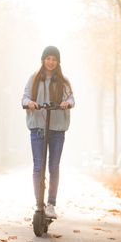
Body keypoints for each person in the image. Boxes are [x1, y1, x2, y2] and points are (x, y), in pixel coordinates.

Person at [22, 46, 74, 219]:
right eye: (48, 58)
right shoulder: (34, 79)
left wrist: (67, 103)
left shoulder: (63, 81)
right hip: (38, 126)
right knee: (38, 167)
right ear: (43, 59)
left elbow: (71, 98)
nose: (51, 62)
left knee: (53, 167)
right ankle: (39, 204)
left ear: (58, 62)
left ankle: (51, 204)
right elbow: (25, 97)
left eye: (54, 59)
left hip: (57, 129)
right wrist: (29, 103)